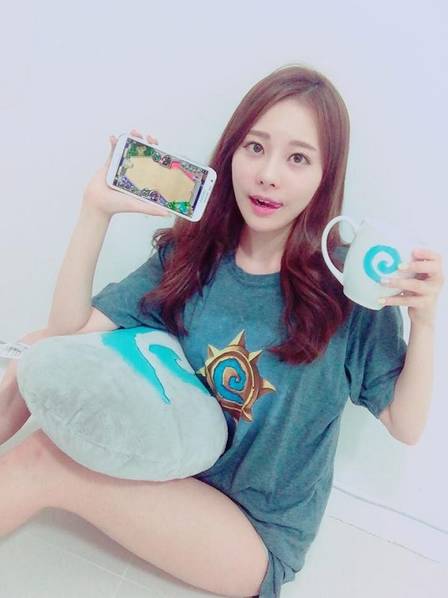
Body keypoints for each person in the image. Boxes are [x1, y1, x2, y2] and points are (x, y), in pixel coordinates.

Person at [0, 64, 444, 598]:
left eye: (297, 158)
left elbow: (405, 424)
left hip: (251, 533)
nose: (268, 175)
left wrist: (425, 323)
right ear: (231, 152)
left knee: (47, 459)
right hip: (174, 470)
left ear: (325, 176)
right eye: (255, 147)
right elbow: (66, 331)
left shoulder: (349, 289)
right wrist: (96, 211)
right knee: (32, 350)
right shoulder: (193, 256)